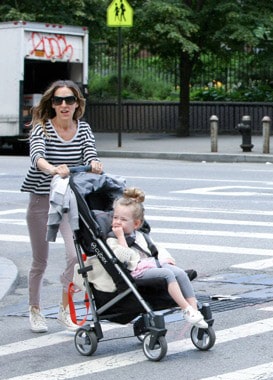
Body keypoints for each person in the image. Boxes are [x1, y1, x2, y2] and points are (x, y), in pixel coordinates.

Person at [21, 80, 104, 333]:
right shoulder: (42, 128)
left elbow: (90, 152)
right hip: (41, 197)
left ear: (77, 103)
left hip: (68, 198)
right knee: (40, 260)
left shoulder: (84, 128)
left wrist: (94, 162)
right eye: (58, 100)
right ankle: (35, 310)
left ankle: (64, 307)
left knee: (73, 255)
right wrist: (52, 169)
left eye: (69, 100)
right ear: (52, 104)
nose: (64, 105)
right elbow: (37, 157)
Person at [106, 187, 208, 328]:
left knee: (178, 272)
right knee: (167, 274)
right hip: (135, 272)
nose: (117, 222)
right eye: (115, 217)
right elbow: (125, 258)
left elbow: (155, 248)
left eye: (123, 219)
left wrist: (167, 259)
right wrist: (120, 237)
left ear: (136, 224)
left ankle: (194, 309)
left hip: (150, 265)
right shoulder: (112, 240)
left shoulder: (141, 236)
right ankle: (186, 308)